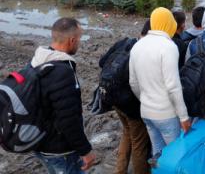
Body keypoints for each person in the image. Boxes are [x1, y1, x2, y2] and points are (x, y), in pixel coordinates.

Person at [31, 18, 96, 173]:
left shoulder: (37, 62)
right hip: (59, 151)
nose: (79, 42)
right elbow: (68, 120)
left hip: (38, 142)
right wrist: (85, 151)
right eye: (79, 38)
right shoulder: (62, 72)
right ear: (72, 40)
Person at [129, 8, 191, 158]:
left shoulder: (138, 45)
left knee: (158, 155)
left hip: (146, 112)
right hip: (166, 114)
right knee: (175, 156)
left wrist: (145, 100)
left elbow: (133, 82)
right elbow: (173, 86)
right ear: (169, 23)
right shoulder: (169, 47)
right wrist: (183, 117)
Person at [105, 21, 151, 174]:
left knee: (127, 132)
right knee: (139, 143)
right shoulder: (144, 52)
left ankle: (120, 170)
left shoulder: (125, 42)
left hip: (114, 100)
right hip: (131, 105)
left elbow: (101, 62)